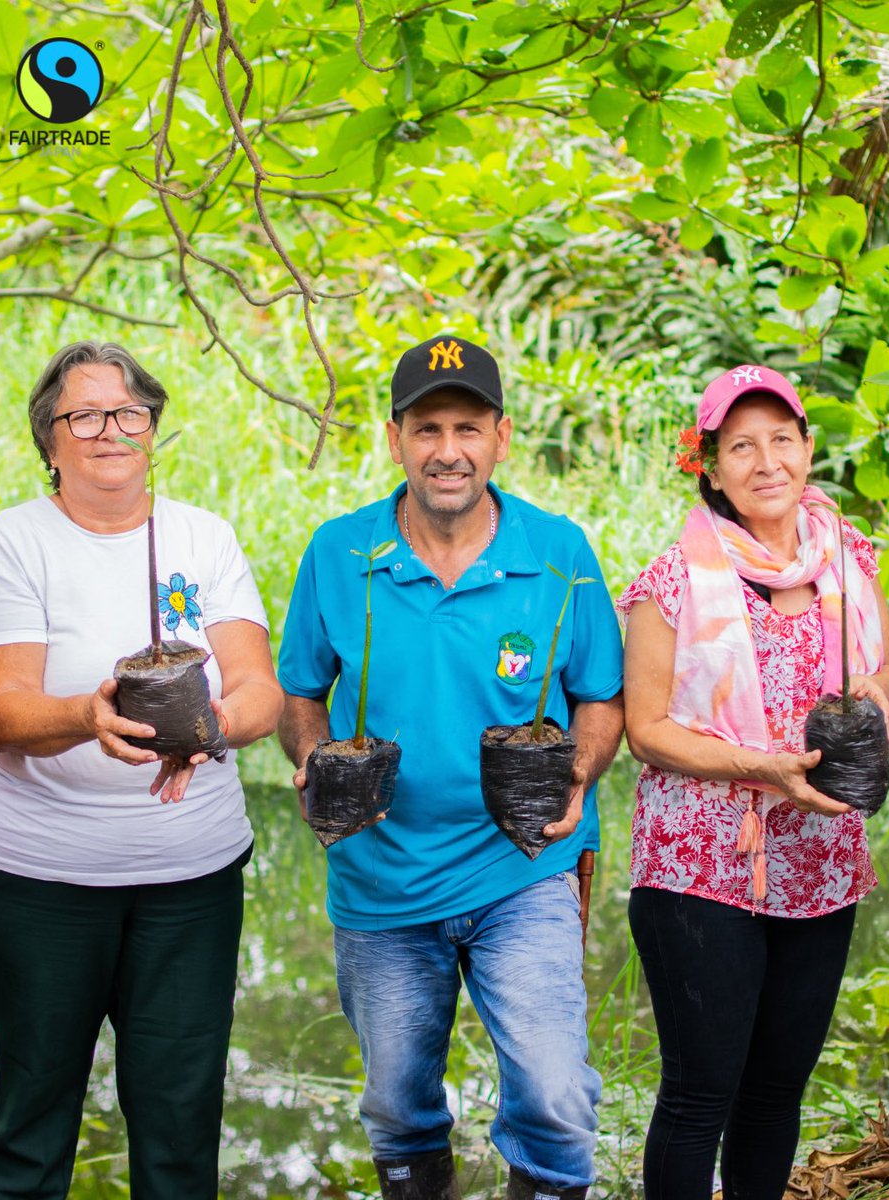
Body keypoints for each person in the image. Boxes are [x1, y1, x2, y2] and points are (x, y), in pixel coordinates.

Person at [277, 334, 624, 1200]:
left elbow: (602, 698)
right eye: (427, 429)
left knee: (552, 1090)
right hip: (380, 878)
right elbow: (298, 695)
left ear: (501, 436)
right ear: (396, 439)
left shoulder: (559, 553)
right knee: (397, 1101)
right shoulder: (340, 554)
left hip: (524, 867)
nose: (447, 451)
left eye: (467, 428)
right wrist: (314, 758)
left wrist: (582, 768)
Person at [0, 342, 284, 1200]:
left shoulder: (202, 537)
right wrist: (84, 715)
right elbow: (4, 709)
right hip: (40, 884)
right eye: (85, 415)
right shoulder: (14, 542)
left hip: (190, 881)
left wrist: (212, 728)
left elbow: (260, 689)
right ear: (50, 440)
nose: (111, 430)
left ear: (152, 429)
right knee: (32, 1123)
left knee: (179, 1128)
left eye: (130, 413)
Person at [619, 364, 889, 1200]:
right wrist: (764, 767)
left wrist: (871, 701)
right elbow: (648, 730)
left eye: (782, 439)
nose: (766, 460)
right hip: (700, 864)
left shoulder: (848, 561)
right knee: (701, 1091)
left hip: (821, 862)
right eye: (741, 446)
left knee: (778, 1091)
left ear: (808, 449)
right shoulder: (673, 582)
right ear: (710, 466)